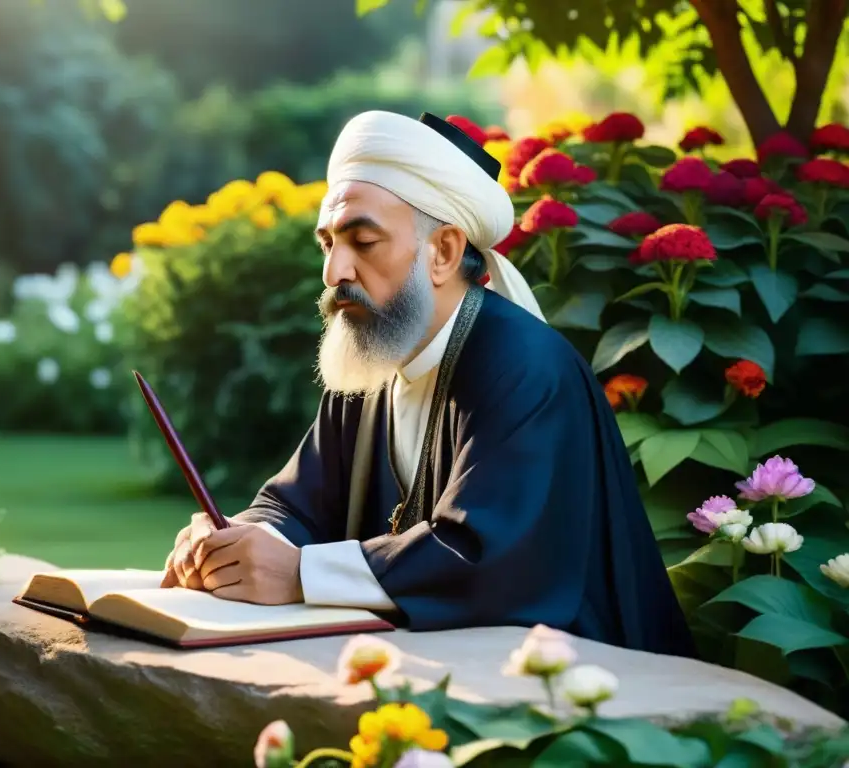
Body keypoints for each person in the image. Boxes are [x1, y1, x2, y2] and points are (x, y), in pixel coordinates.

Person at [161, 110, 697, 658]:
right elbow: (297, 505)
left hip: (575, 688)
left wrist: (302, 574)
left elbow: (485, 558)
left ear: (442, 251)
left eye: (362, 241)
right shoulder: (373, 358)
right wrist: (234, 542)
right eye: (328, 244)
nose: (334, 272)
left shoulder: (526, 368)